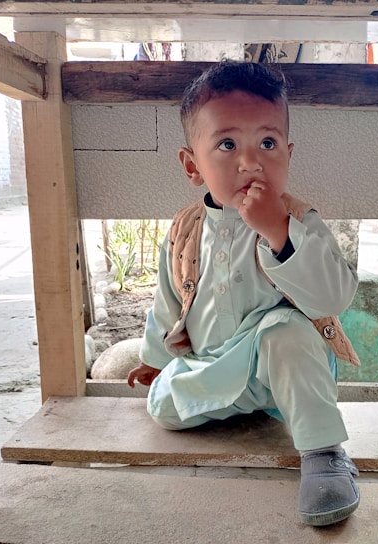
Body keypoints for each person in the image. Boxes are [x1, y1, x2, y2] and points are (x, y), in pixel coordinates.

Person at [127, 60, 360, 526]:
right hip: (213, 366)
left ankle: (324, 455)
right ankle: (221, 403)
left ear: (288, 155)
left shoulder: (299, 220)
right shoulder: (185, 230)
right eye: (228, 143)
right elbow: (167, 303)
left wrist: (277, 231)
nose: (251, 161)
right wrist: (155, 359)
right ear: (193, 165)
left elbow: (334, 297)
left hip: (280, 373)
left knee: (284, 330)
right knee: (164, 407)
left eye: (268, 143)